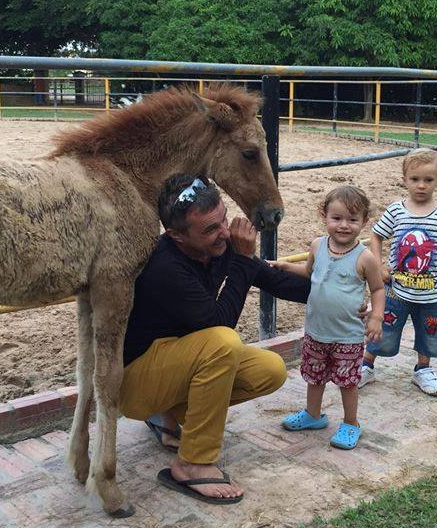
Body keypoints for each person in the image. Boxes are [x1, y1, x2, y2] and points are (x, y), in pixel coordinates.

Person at [120, 173, 310, 504]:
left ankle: (169, 419)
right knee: (223, 343)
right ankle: (191, 463)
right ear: (177, 236)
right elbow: (219, 324)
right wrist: (241, 259)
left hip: (176, 365)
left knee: (271, 369)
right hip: (135, 384)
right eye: (210, 229)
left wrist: (338, 291)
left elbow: (274, 281)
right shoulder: (166, 266)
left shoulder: (220, 247)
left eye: (224, 219)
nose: (225, 232)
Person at [271, 186, 385, 450]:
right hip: (316, 331)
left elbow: (378, 289)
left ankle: (351, 423)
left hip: (347, 335)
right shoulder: (317, 246)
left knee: (347, 382)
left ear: (364, 222)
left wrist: (376, 316)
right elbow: (311, 273)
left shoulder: (365, 258)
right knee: (315, 376)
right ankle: (313, 415)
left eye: (352, 220)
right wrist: (286, 266)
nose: (344, 225)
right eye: (337, 218)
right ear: (324, 216)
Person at [360, 148, 437, 396]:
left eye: (428, 180)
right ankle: (366, 365)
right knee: (382, 328)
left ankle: (423, 370)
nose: (421, 186)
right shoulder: (396, 210)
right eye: (415, 179)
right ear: (404, 179)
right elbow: (375, 236)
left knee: (430, 331)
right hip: (395, 290)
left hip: (431, 293)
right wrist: (379, 265)